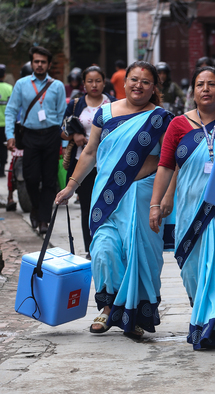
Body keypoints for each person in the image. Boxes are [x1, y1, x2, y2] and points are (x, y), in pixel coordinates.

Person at [55, 61, 173, 339]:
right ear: (123, 81)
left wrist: (147, 180)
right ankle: (108, 308)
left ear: (154, 87)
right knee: (104, 249)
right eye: (134, 79)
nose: (138, 85)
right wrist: (72, 185)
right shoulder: (105, 112)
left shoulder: (161, 118)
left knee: (139, 255)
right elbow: (90, 152)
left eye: (146, 82)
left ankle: (138, 315)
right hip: (106, 195)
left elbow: (170, 159)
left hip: (142, 197)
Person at [149, 66, 215, 349]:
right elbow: (166, 166)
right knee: (191, 268)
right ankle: (203, 315)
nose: (206, 89)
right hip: (190, 207)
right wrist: (157, 203)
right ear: (192, 92)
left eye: (212, 84)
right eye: (200, 84)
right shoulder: (178, 124)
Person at [5, 46, 66, 234]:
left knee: (49, 180)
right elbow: (11, 110)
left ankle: (43, 220)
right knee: (30, 178)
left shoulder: (57, 86)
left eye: (43, 62)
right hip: (29, 136)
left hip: (51, 136)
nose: (39, 65)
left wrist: (64, 143)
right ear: (32, 63)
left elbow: (63, 115)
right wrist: (10, 136)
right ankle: (36, 209)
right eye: (36, 62)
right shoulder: (21, 84)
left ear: (48, 65)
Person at [60, 66, 116, 257]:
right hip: (82, 162)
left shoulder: (113, 104)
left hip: (107, 164)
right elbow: (62, 130)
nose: (94, 85)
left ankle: (107, 246)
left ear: (104, 82)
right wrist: (74, 134)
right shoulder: (76, 104)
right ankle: (91, 248)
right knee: (87, 206)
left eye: (98, 81)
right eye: (90, 81)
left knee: (108, 205)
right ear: (84, 83)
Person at [5, 62, 33, 212]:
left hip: (41, 139)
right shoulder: (17, 92)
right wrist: (10, 135)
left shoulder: (48, 91)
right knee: (12, 167)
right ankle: (10, 196)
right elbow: (10, 113)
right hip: (22, 140)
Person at [0, 64, 12, 178]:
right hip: (4, 124)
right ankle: (2, 169)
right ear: (4, 75)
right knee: (3, 147)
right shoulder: (9, 88)